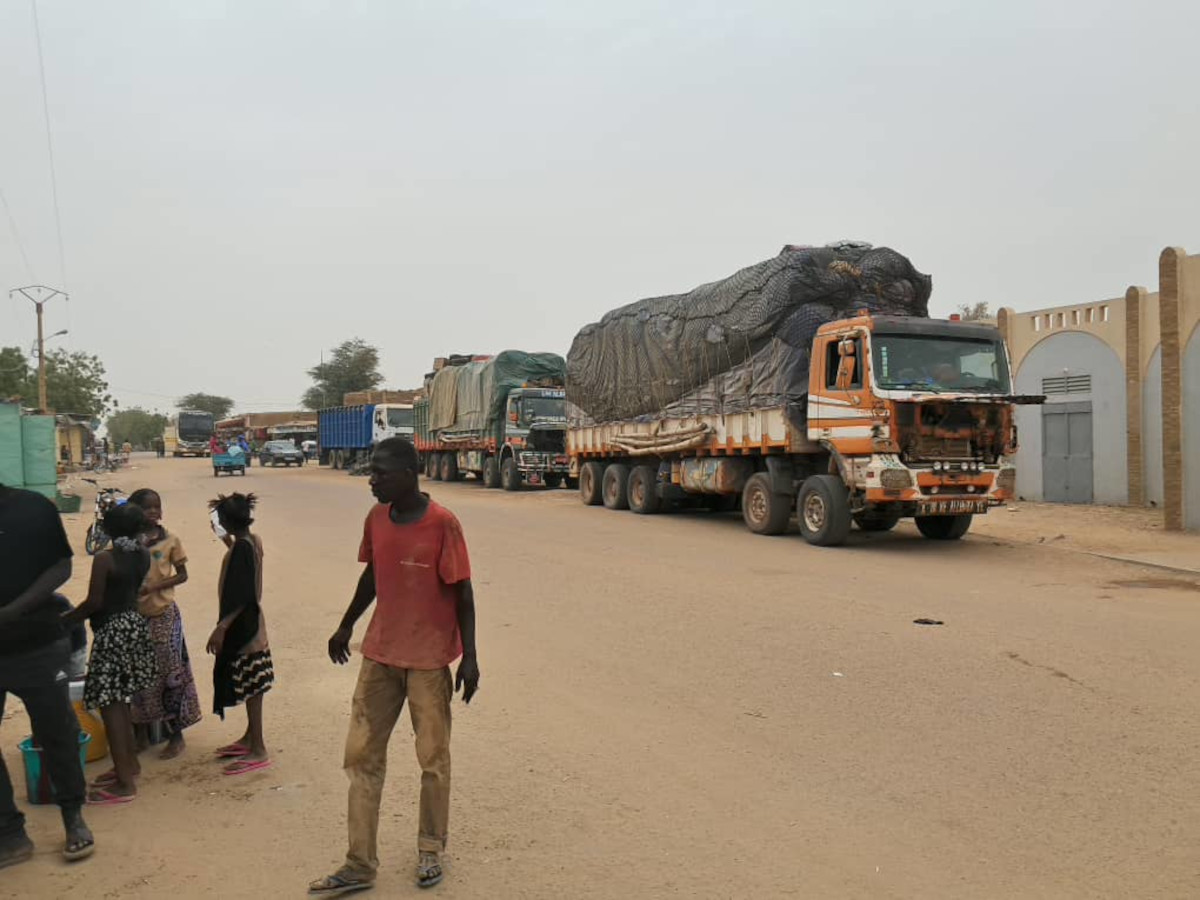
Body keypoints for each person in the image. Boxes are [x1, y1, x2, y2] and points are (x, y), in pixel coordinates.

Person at [309, 437, 479, 896]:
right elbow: (373, 575)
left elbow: (463, 591)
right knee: (361, 757)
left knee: (433, 759)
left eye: (380, 472)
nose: (371, 479)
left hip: (428, 661)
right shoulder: (376, 518)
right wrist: (346, 625)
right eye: (372, 471)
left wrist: (471, 659)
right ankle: (359, 863)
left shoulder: (444, 524)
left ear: (408, 472)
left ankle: (430, 848)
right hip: (380, 656)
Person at [0, 483, 95, 868]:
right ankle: (9, 833)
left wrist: (12, 611)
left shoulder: (32, 507)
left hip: (36, 644)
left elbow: (61, 565)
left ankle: (73, 818)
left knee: (57, 732)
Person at [63, 504, 155, 806]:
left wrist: (65, 620)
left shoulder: (105, 558)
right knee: (122, 701)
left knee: (111, 706)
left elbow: (94, 602)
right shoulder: (142, 554)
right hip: (134, 626)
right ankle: (129, 765)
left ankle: (125, 785)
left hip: (112, 632)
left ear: (109, 529)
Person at [127, 489, 202, 760]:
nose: (154, 512)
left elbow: (182, 575)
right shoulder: (127, 543)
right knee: (137, 677)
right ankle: (141, 734)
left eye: (157, 506)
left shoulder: (170, 540)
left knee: (171, 675)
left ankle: (176, 735)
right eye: (147, 508)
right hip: (135, 617)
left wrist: (157, 585)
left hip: (163, 615)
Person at [206, 493, 273, 775]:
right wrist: (226, 541)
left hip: (245, 627)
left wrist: (221, 628)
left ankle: (258, 748)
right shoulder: (250, 541)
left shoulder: (244, 548)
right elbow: (242, 561)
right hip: (250, 623)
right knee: (249, 683)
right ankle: (249, 737)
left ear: (227, 522)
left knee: (253, 686)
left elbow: (243, 593)